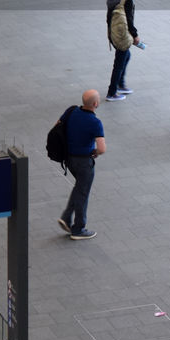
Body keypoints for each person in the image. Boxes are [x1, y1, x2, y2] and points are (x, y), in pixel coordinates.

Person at [57, 90, 106, 240]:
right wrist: (95, 152)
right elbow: (102, 149)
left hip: (69, 159)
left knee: (79, 188)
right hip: (84, 162)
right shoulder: (95, 122)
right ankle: (78, 229)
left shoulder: (71, 111)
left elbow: (57, 127)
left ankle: (66, 217)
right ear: (96, 104)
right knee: (83, 193)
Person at [103, 0, 137, 101]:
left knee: (126, 56)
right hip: (122, 37)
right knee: (118, 64)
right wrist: (135, 35)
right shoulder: (126, 0)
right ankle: (112, 92)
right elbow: (129, 20)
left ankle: (120, 84)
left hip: (114, 35)